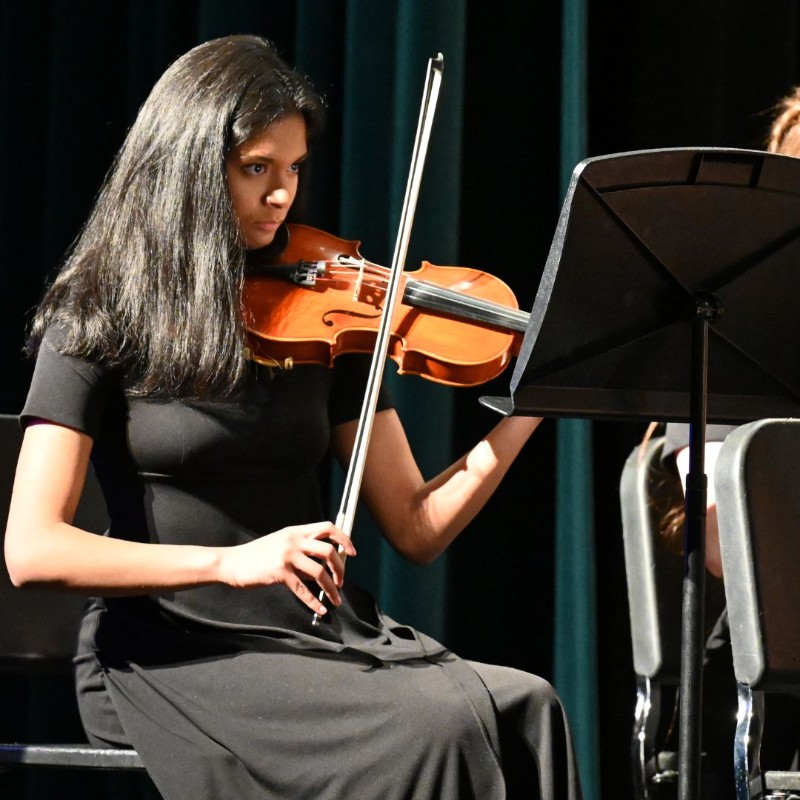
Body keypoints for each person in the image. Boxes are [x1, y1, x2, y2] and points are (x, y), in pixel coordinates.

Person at [3, 35, 582, 800]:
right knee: (434, 730)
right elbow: (31, 550)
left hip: (313, 637)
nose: (282, 195)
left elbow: (416, 524)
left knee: (526, 706)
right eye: (256, 169)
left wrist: (532, 403)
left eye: (293, 170)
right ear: (190, 168)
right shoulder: (99, 316)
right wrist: (232, 562)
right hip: (173, 650)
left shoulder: (325, 323)